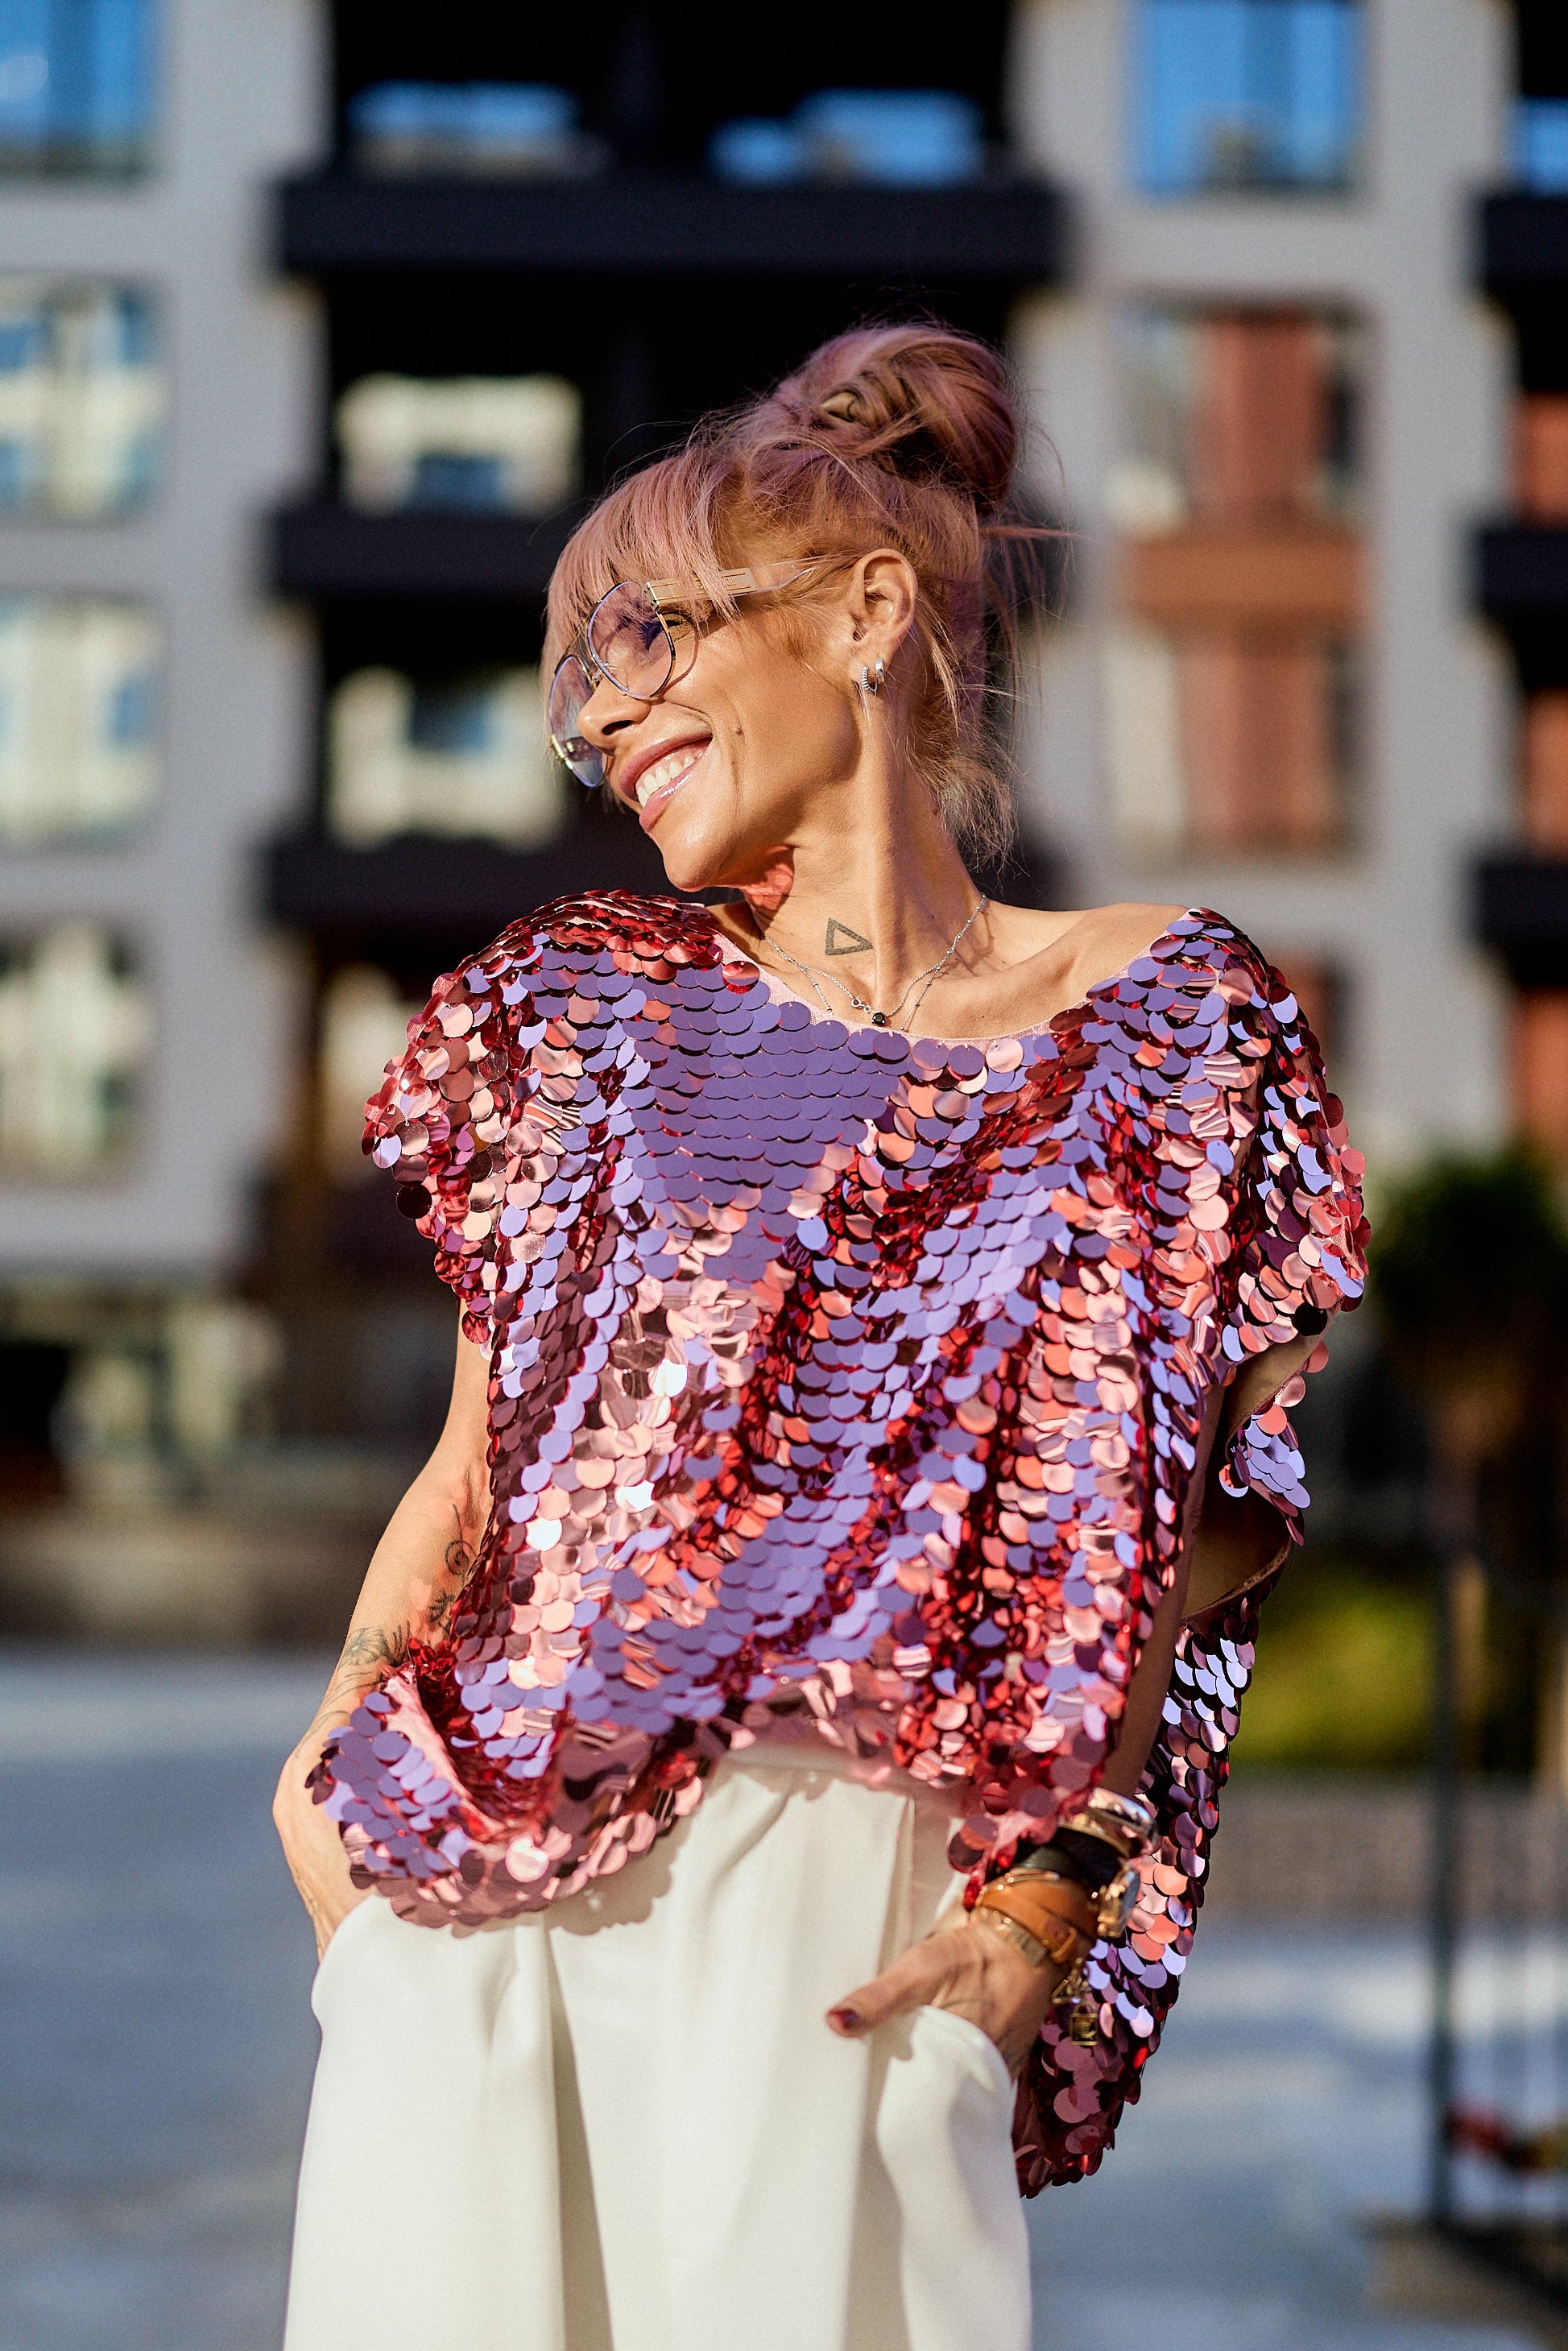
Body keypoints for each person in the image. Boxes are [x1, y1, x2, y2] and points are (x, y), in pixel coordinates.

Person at [275, 324, 1367, 2351]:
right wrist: (326, 1769)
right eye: (580, 675)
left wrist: (1045, 1904)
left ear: (866, 613)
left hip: (841, 1898)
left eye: (652, 638)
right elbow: (477, 1463)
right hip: (476, 1887)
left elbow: (1183, 1532)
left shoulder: (1172, 1027)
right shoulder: (583, 1013)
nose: (607, 715)